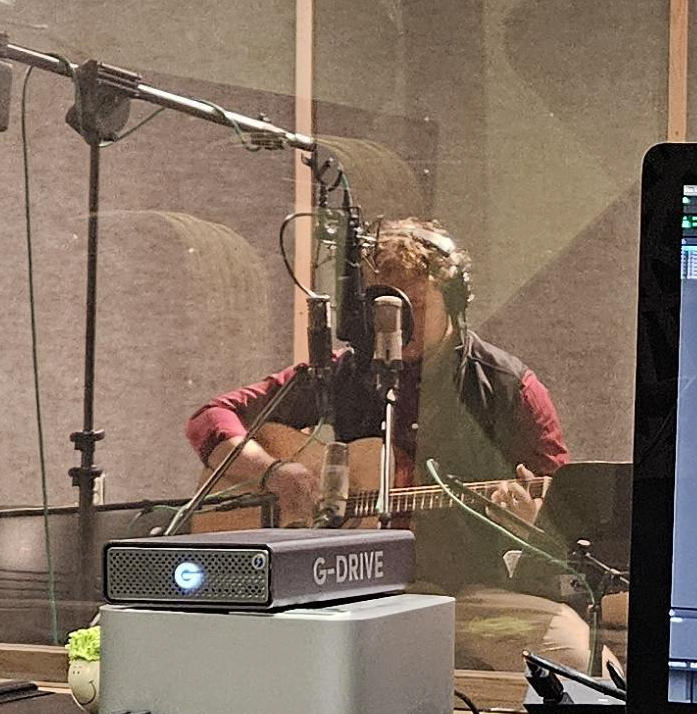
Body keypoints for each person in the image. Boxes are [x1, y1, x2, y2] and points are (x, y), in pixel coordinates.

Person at [182, 219, 592, 676]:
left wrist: (531, 523)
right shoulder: (342, 372)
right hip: (342, 590)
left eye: (415, 307)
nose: (397, 326)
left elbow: (567, 516)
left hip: (465, 598)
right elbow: (211, 419)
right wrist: (275, 474)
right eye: (383, 310)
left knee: (570, 655)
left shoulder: (508, 387)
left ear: (454, 301)